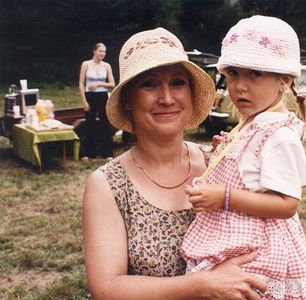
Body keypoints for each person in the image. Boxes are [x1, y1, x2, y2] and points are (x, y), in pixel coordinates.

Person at [82, 28, 267, 299]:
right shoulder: (108, 184)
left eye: (178, 82)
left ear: (191, 95)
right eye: (150, 84)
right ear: (129, 100)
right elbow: (107, 288)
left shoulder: (220, 161)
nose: (167, 98)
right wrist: (203, 284)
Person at [181, 16, 306, 299]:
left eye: (254, 73)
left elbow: (287, 204)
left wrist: (224, 197)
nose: (240, 86)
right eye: (233, 73)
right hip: (233, 241)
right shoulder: (252, 123)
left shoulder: (278, 135)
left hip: (259, 253)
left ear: (284, 80)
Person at [78, 42, 116, 160]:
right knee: (90, 122)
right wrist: (84, 101)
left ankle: (107, 152)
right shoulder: (86, 64)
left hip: (103, 96)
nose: (102, 54)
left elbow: (112, 84)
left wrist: (99, 84)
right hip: (89, 96)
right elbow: (81, 83)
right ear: (94, 51)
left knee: (105, 123)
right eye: (100, 51)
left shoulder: (106, 66)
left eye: (104, 52)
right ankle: (88, 152)